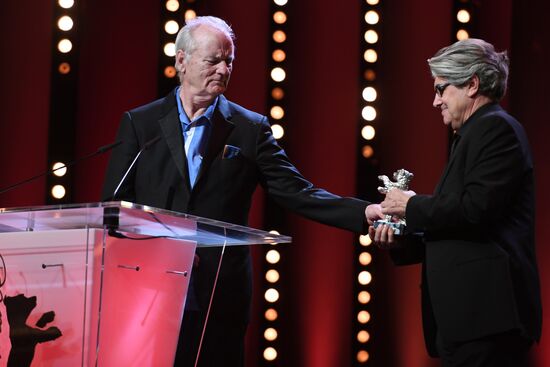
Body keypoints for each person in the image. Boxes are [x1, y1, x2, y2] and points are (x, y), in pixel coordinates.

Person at [102, 16, 380, 367]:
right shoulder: (140, 124)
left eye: (228, 61)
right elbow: (112, 211)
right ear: (181, 62)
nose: (222, 69)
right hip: (147, 288)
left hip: (219, 290)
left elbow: (296, 192)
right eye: (212, 60)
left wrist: (363, 212)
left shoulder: (250, 129)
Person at [370, 38, 542, 367]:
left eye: (441, 89)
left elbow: (475, 209)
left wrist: (409, 205)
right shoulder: (475, 132)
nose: (435, 102)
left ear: (472, 84)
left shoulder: (495, 129)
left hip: (487, 317)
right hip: (469, 319)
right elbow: (461, 225)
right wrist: (401, 240)